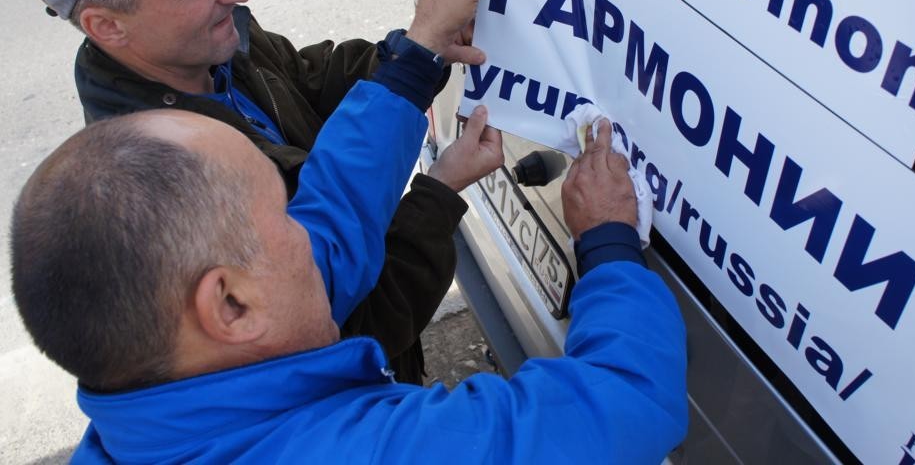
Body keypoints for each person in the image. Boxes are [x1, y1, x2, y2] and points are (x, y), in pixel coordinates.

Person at [11, 33, 690, 462]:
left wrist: (434, 173)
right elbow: (625, 401)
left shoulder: (141, 420)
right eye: (287, 219)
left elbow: (333, 206)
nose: (313, 231)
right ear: (230, 304)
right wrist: (607, 242)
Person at [10, 0, 485, 384]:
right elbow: (341, 322)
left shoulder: (215, 41)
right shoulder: (160, 186)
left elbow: (307, 81)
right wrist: (436, 193)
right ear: (107, 26)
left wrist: (417, 47)